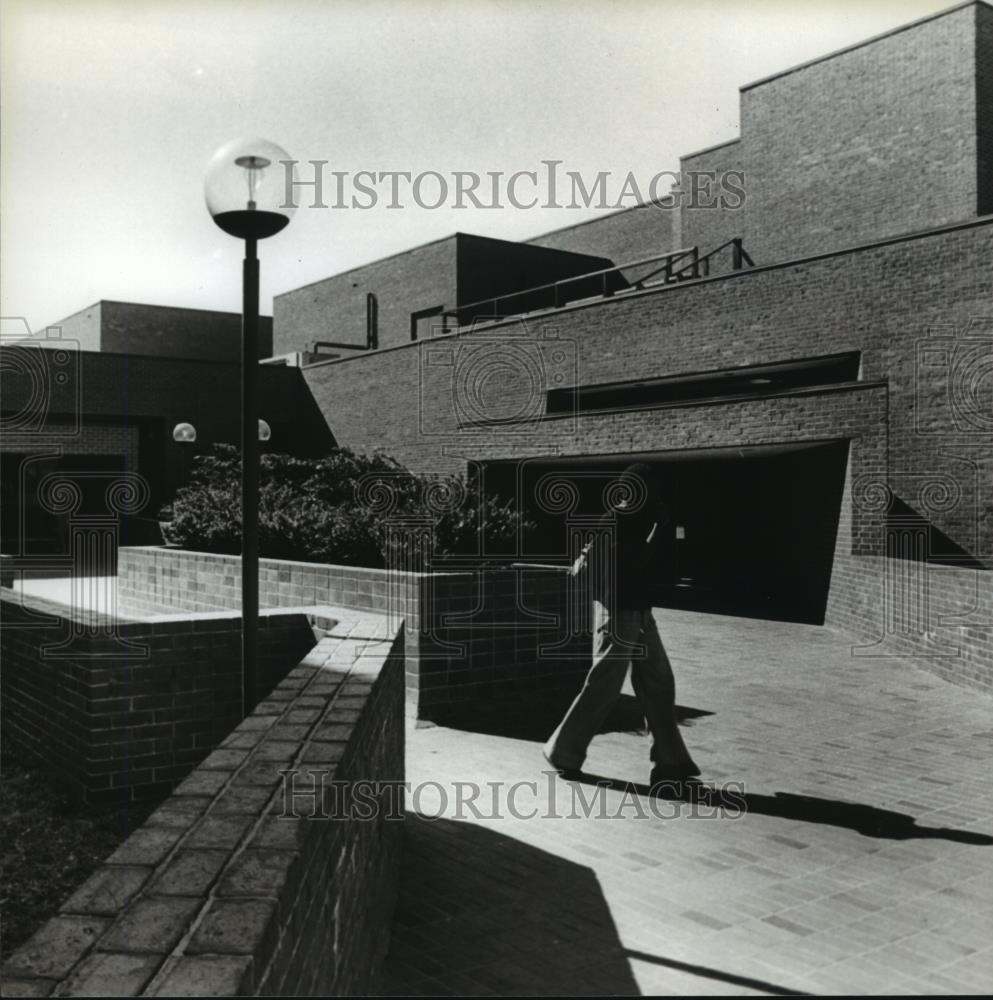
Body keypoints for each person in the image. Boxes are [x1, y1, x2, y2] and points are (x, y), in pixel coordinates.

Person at [543, 463, 699, 785]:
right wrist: (657, 531)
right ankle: (563, 752)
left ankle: (670, 762)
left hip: (641, 613)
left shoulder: (642, 518)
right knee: (603, 687)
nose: (655, 495)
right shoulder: (617, 518)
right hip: (620, 615)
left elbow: (658, 568)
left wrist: (662, 530)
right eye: (649, 487)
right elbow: (630, 567)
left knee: (659, 683)